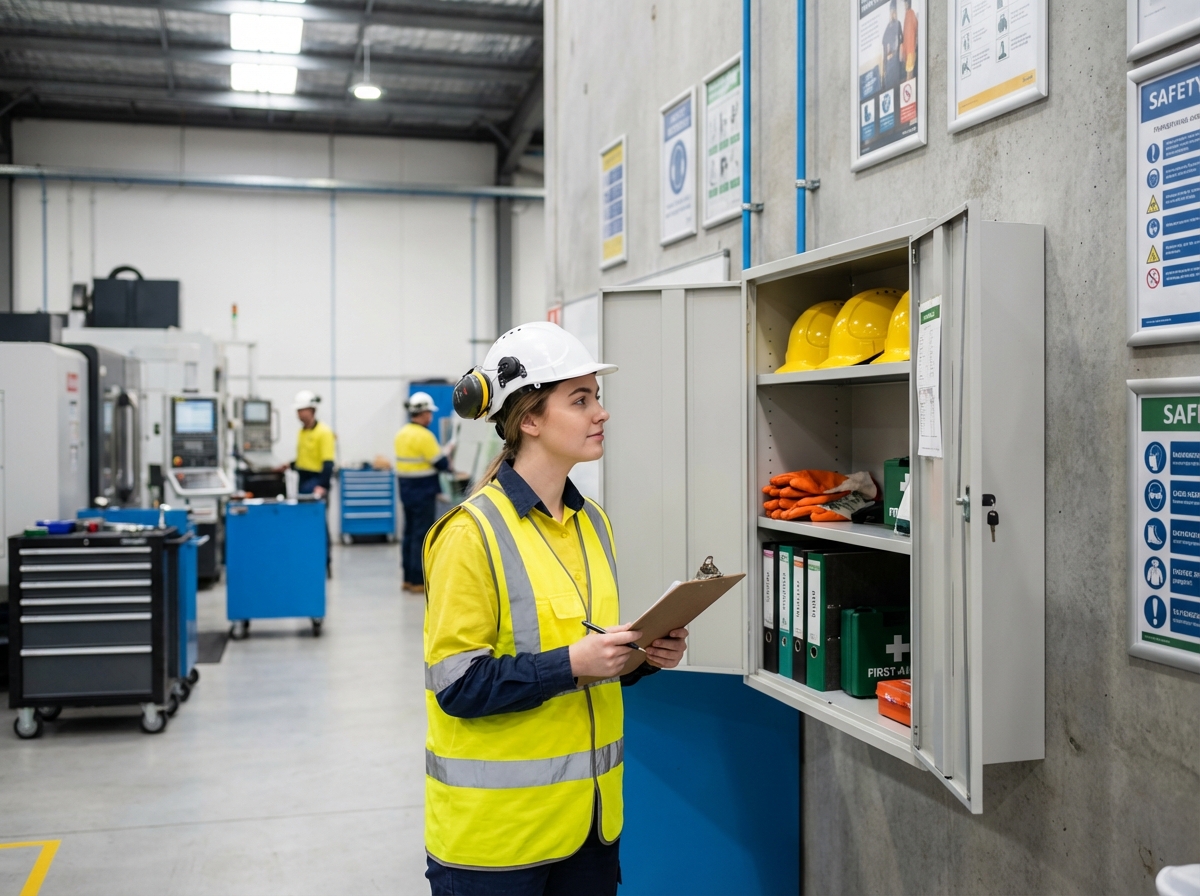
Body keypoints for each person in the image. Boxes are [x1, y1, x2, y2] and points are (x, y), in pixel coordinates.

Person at [423, 322, 689, 895]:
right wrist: (573, 662)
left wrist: (642, 656)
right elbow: (457, 687)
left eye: (598, 397)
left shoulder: (593, 521)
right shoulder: (469, 534)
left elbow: (589, 654)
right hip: (497, 844)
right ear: (530, 420)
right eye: (581, 399)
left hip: (589, 832)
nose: (601, 413)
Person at [394, 391, 452, 593]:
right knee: (422, 536)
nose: (431, 417)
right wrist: (448, 454)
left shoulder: (402, 434)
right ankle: (419, 580)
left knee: (409, 534)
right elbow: (441, 463)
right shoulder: (425, 436)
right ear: (424, 413)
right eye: (429, 413)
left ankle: (408, 578)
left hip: (406, 491)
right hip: (423, 491)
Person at [286, 390, 336, 575]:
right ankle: (309, 561)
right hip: (303, 480)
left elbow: (328, 463)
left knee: (319, 525)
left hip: (317, 482)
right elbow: (304, 459)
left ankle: (325, 564)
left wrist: (321, 486)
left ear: (312, 410)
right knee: (304, 525)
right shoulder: (302, 432)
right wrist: (289, 465)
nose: (299, 414)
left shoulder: (324, 433)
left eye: (302, 410)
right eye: (298, 411)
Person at [882, 0, 902, 90]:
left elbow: (902, 40)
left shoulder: (898, 24)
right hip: (890, 61)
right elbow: (884, 47)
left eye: (894, 11)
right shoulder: (888, 27)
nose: (893, 13)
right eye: (891, 11)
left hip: (897, 59)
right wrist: (884, 66)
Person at [902, 0, 918, 81]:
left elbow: (915, 28)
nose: (904, 6)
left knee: (909, 70)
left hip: (911, 47)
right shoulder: (907, 14)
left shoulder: (911, 13)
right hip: (908, 48)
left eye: (905, 4)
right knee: (908, 70)